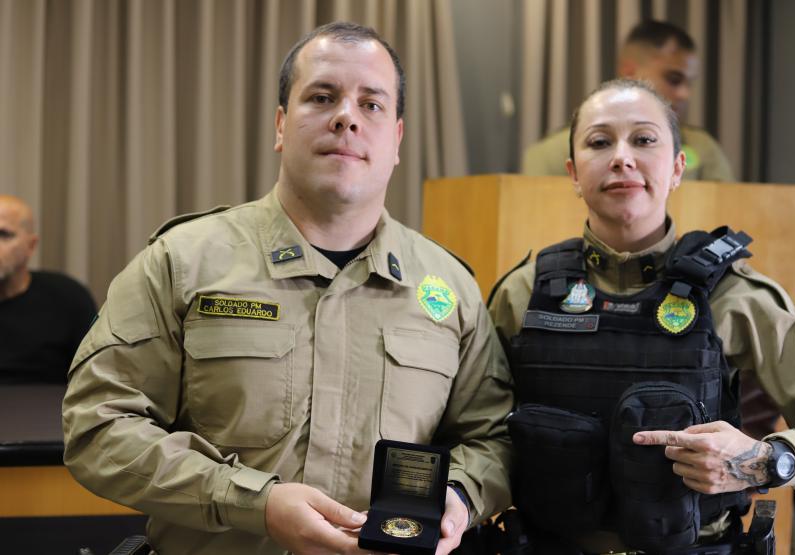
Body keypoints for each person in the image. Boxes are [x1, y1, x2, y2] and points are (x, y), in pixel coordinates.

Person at [62, 22, 513, 555]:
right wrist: (252, 502)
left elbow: (494, 437)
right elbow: (98, 426)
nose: (346, 116)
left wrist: (457, 494)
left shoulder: (450, 287)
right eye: (322, 97)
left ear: (396, 139)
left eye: (371, 105)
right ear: (281, 125)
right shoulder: (182, 261)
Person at [489, 78, 795, 554]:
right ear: (572, 172)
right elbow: (476, 430)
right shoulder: (523, 294)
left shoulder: (736, 295)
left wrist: (768, 459)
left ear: (677, 168)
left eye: (644, 140)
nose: (622, 157)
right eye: (599, 142)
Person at [522, 20, 734, 182]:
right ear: (630, 73)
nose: (684, 94)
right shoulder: (551, 154)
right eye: (674, 79)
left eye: (689, 83)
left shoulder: (704, 150)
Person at [0, 195, 96, 384]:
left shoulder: (68, 299)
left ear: (31, 245)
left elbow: (96, 375)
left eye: (4, 235)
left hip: (46, 409)